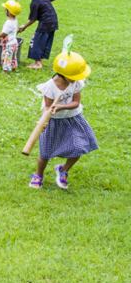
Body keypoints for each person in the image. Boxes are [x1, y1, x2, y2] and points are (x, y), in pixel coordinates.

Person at [29, 51, 98, 190]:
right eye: (74, 76)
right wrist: (44, 120)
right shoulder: (49, 86)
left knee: (79, 147)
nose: (77, 78)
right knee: (45, 153)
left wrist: (61, 107)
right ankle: (38, 175)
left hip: (72, 118)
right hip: (53, 120)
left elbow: (76, 102)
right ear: (62, 74)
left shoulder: (76, 83)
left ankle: (63, 170)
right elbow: (47, 106)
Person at [18, 0, 58, 70]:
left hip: (45, 23)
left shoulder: (34, 3)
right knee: (45, 42)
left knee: (37, 41)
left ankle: (38, 64)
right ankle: (39, 62)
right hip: (53, 21)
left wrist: (24, 26)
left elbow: (32, 19)